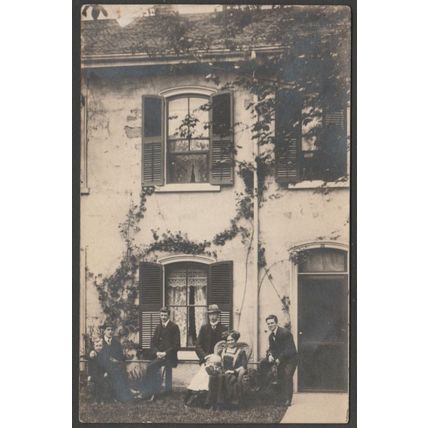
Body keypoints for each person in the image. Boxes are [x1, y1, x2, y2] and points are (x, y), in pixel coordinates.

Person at [184, 304, 228, 406]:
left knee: (214, 378)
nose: (213, 317)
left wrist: (219, 356)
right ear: (208, 316)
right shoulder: (204, 328)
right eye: (211, 314)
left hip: (219, 360)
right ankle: (188, 399)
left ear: (218, 315)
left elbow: (226, 346)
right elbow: (197, 345)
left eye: (215, 314)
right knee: (200, 377)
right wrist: (205, 357)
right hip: (207, 359)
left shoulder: (224, 328)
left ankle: (211, 400)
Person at [259, 314, 298, 406]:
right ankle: (274, 396)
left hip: (290, 359)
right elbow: (271, 348)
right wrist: (269, 355)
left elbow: (289, 349)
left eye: (272, 323)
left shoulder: (285, 333)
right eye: (268, 324)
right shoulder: (270, 336)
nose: (270, 325)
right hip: (281, 359)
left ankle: (288, 400)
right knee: (265, 365)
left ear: (276, 323)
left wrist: (279, 359)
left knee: (287, 375)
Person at [144, 307, 180, 399]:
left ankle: (161, 391)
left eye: (165, 315)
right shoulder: (158, 327)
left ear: (169, 315)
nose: (163, 317)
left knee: (152, 366)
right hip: (159, 355)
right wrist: (157, 352)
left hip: (170, 356)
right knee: (150, 366)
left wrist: (165, 353)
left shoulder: (174, 327)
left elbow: (176, 345)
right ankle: (150, 390)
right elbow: (152, 342)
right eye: (161, 315)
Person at [206, 330, 247, 410]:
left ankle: (220, 403)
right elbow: (217, 361)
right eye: (228, 340)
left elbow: (244, 366)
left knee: (223, 377)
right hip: (222, 371)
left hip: (233, 373)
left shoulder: (241, 352)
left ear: (236, 340)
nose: (230, 342)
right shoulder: (222, 350)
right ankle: (212, 403)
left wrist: (233, 371)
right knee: (213, 377)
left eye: (232, 340)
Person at [100, 322, 133, 402]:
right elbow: (97, 355)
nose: (110, 332)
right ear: (104, 331)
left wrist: (125, 356)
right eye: (108, 329)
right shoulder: (100, 342)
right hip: (102, 366)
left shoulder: (116, 343)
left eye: (112, 330)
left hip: (114, 367)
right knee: (115, 372)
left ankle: (123, 396)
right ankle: (116, 396)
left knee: (120, 372)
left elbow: (120, 356)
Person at [87, 338, 111, 404]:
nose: (98, 347)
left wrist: (106, 372)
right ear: (94, 347)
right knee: (96, 384)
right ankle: (96, 399)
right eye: (96, 346)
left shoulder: (104, 355)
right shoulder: (92, 355)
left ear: (102, 346)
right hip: (94, 374)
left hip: (102, 373)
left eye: (100, 345)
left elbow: (107, 365)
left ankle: (102, 399)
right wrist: (89, 375)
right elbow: (90, 366)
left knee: (102, 384)